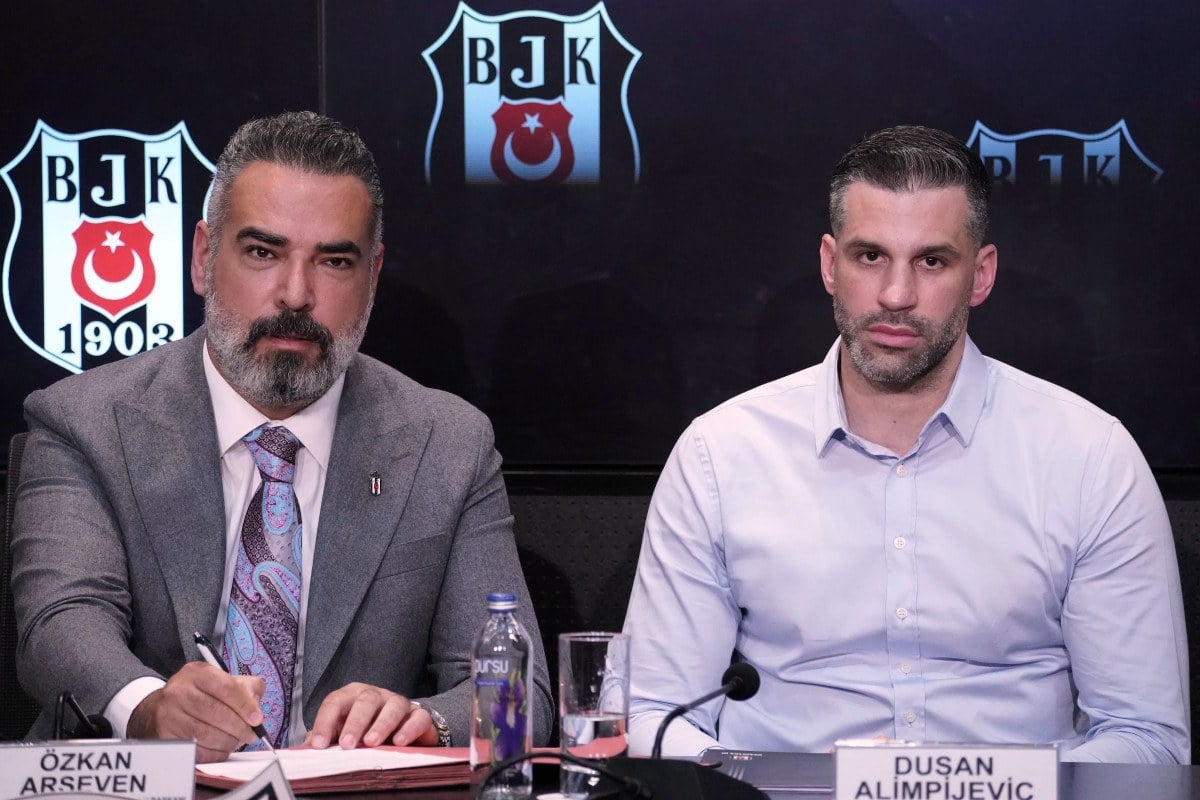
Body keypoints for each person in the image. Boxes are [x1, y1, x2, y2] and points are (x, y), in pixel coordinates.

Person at [622, 125, 1189, 763]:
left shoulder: (1089, 458)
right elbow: (651, 711)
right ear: (829, 264)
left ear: (981, 275)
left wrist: (991, 788)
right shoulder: (720, 456)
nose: (896, 296)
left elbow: (1147, 739)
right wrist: (758, 786)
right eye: (870, 257)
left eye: (932, 261)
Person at [11, 111, 552, 761]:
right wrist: (149, 708)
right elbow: (60, 625)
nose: (296, 295)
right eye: (263, 253)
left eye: (334, 261)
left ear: (373, 276)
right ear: (204, 258)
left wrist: (423, 721)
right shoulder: (85, 420)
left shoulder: (447, 443)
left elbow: (520, 697)